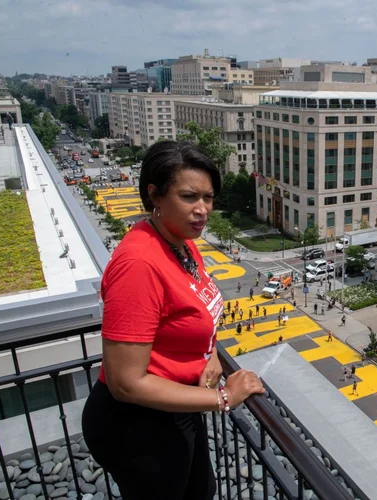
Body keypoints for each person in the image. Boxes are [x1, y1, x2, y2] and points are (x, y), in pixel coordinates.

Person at [81, 141, 264, 500]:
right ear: (156, 196)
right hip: (136, 424)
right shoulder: (140, 264)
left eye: (208, 198)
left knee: (201, 491)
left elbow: (189, 312)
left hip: (177, 404)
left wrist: (207, 352)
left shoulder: (181, 241)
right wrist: (225, 399)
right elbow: (126, 383)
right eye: (189, 196)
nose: (202, 210)